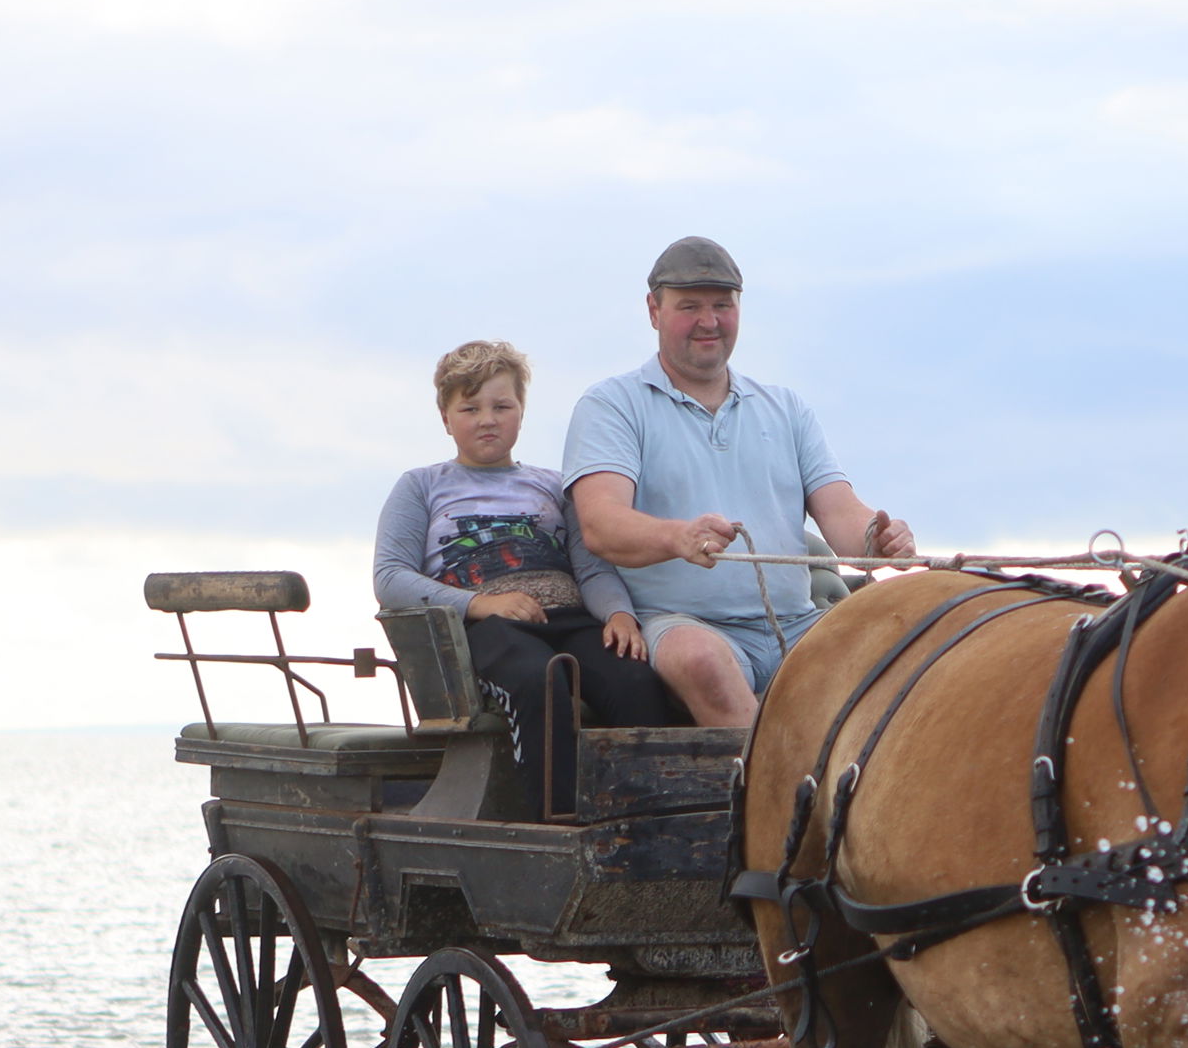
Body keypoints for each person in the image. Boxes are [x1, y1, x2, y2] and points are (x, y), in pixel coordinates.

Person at [562, 236, 914, 726]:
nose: (709, 322)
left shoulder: (786, 408)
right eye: (690, 307)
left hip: (798, 623)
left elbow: (841, 514)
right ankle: (770, 796)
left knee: (910, 654)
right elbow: (601, 523)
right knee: (703, 661)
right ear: (653, 310)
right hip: (683, 624)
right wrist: (677, 537)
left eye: (722, 306)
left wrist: (880, 539)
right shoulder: (611, 405)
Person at [375, 339, 675, 818]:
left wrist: (620, 614)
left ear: (521, 411)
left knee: (634, 680)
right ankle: (555, 821)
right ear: (445, 417)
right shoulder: (421, 486)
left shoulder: (555, 486)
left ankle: (644, 816)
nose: (487, 419)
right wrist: (479, 605)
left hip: (570, 616)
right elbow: (390, 578)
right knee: (542, 680)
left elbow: (593, 566)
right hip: (486, 628)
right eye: (469, 407)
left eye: (501, 405)